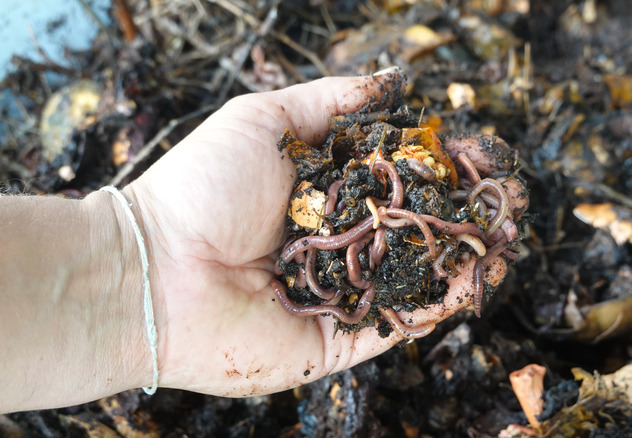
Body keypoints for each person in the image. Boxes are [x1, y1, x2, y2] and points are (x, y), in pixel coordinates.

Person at [0, 67, 511, 414]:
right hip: (325, 245)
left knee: (416, 249)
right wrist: (146, 245)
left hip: (356, 233)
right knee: (359, 260)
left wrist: (139, 249)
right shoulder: (314, 256)